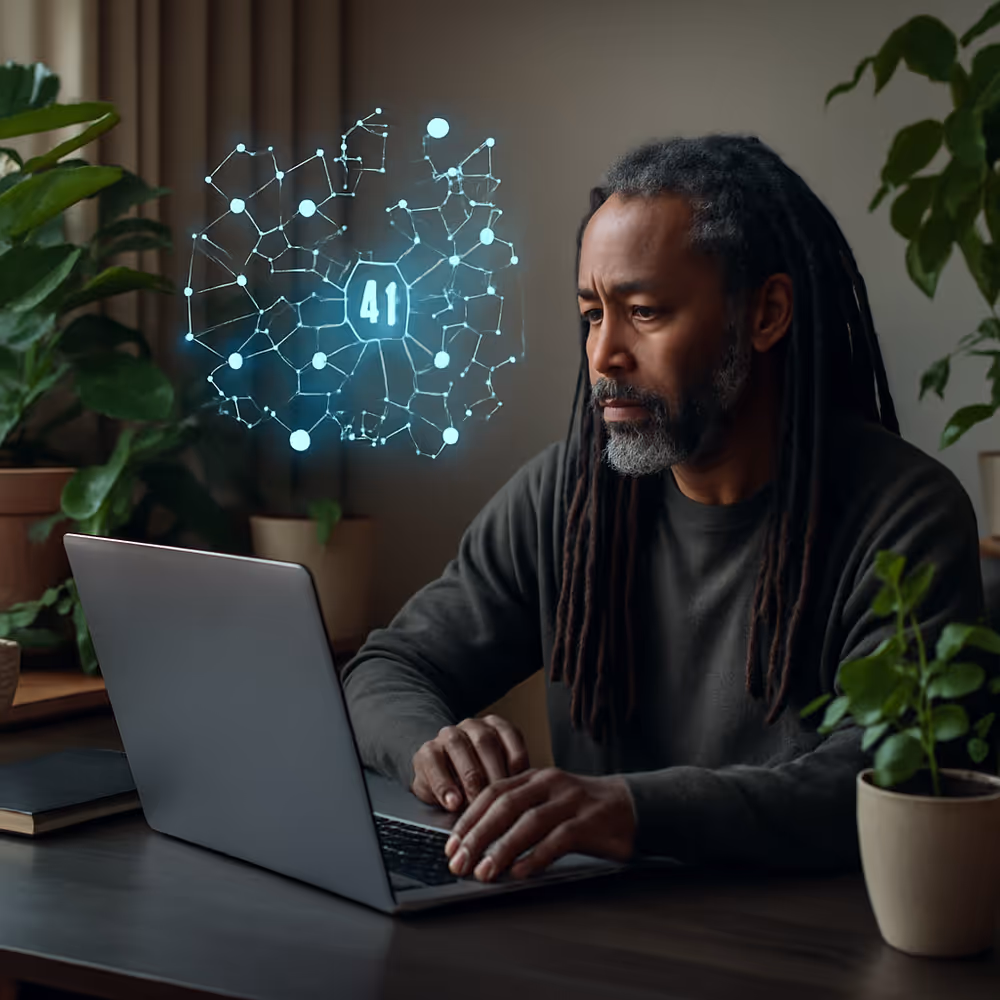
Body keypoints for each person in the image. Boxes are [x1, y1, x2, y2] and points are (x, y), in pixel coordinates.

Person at [341, 135, 984, 883]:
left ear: (766, 313)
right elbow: (389, 667)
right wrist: (436, 749)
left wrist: (637, 811)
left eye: (643, 312)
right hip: (591, 938)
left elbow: (886, 775)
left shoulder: (905, 515)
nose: (604, 354)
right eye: (591, 315)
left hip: (810, 951)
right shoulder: (567, 499)